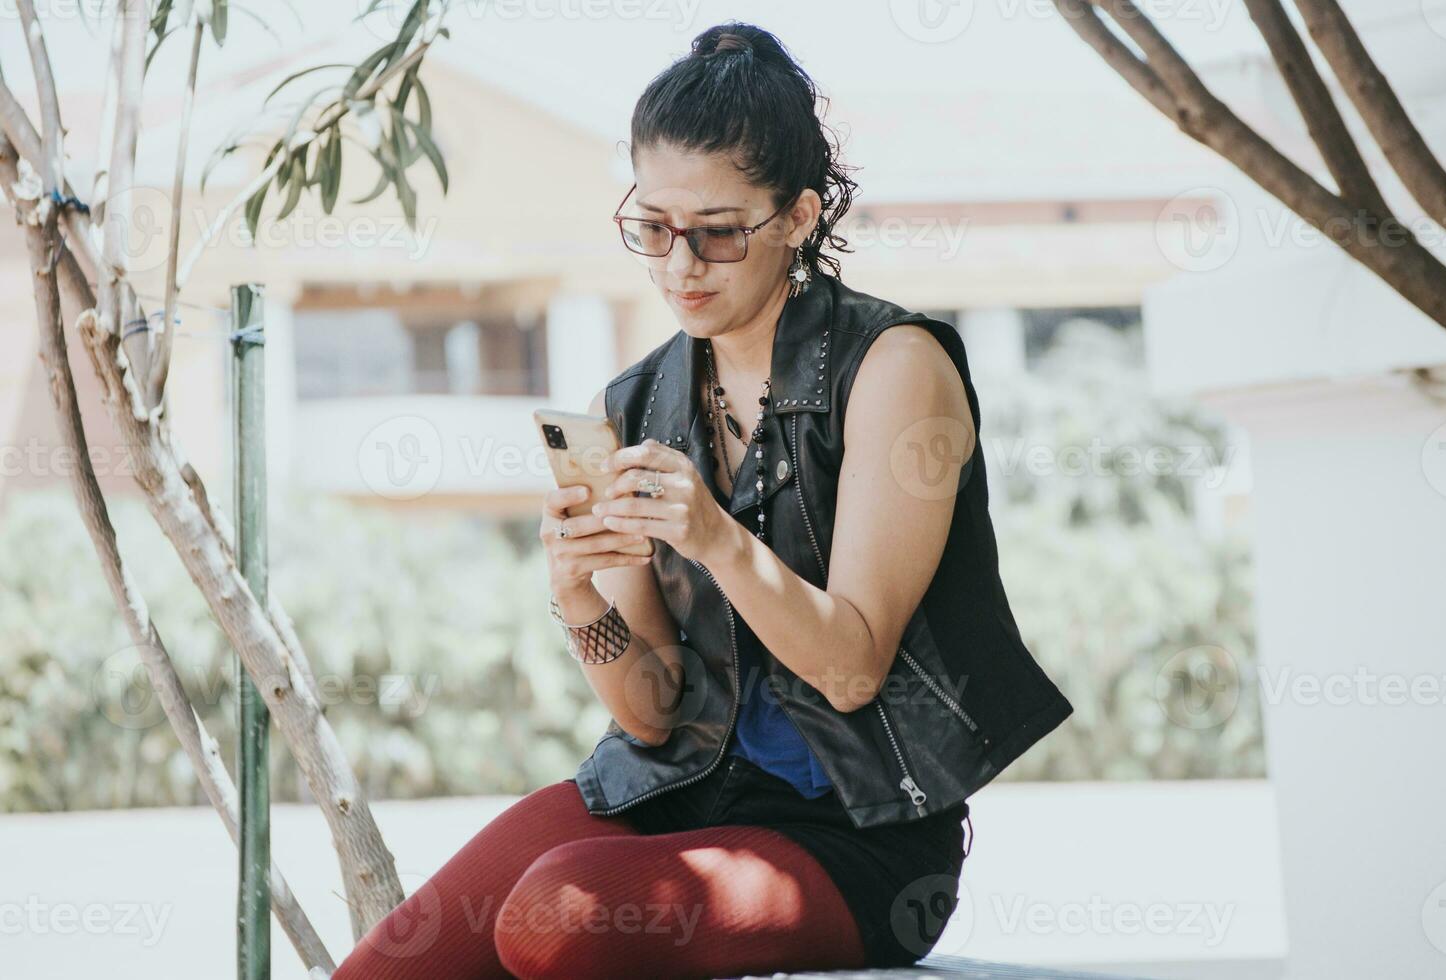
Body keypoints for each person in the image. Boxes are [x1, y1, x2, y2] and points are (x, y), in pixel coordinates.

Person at [333, 21, 1072, 979]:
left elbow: (850, 672)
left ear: (798, 217)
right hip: (674, 787)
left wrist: (715, 537)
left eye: (719, 232)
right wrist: (578, 596)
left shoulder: (893, 369)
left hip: (855, 835)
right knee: (387, 970)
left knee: (556, 914)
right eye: (653, 228)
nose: (680, 266)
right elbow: (651, 716)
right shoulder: (637, 404)